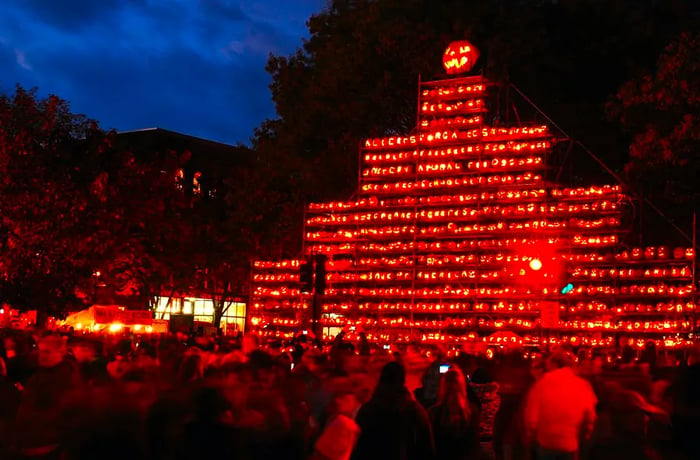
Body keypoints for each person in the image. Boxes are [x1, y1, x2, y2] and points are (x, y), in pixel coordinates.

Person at [352, 361, 435, 460]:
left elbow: (357, 448)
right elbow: (427, 450)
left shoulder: (367, 410)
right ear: (403, 380)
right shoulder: (415, 411)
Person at [524, 349, 597, 460]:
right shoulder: (582, 385)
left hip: (546, 440)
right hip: (570, 441)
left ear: (553, 365)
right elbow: (590, 415)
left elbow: (532, 417)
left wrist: (531, 434)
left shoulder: (541, 384)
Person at [428, 366, 479, 460]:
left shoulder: (434, 412)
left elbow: (430, 446)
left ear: (443, 386)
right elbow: (474, 445)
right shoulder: (471, 411)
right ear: (462, 386)